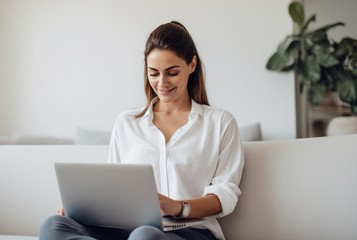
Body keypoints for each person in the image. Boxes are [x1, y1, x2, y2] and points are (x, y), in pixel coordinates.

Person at [39, 21, 244, 240]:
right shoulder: (127, 123)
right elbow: (112, 185)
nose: (162, 82)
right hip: (127, 231)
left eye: (172, 72)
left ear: (192, 65)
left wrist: (177, 207)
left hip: (190, 232)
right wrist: (80, 207)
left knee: (145, 236)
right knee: (53, 226)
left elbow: (225, 195)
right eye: (153, 73)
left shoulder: (220, 122)